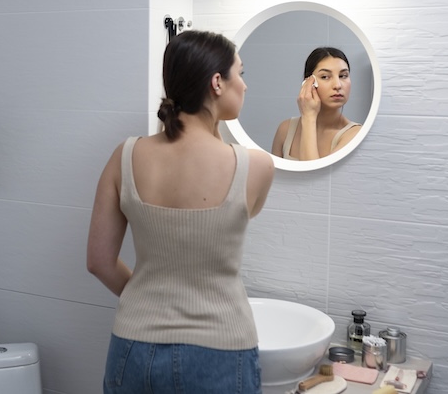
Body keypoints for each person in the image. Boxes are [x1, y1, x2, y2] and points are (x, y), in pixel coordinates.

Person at [87, 30, 275, 393]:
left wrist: (149, 301)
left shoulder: (125, 156)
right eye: (241, 73)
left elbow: (98, 261)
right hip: (220, 352)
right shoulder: (256, 166)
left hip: (133, 350)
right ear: (217, 82)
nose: (246, 86)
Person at [271, 47, 360, 161]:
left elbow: (315, 177)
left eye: (343, 76)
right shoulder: (285, 129)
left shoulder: (354, 134)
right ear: (308, 83)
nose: (338, 85)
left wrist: (309, 117)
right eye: (325, 77)